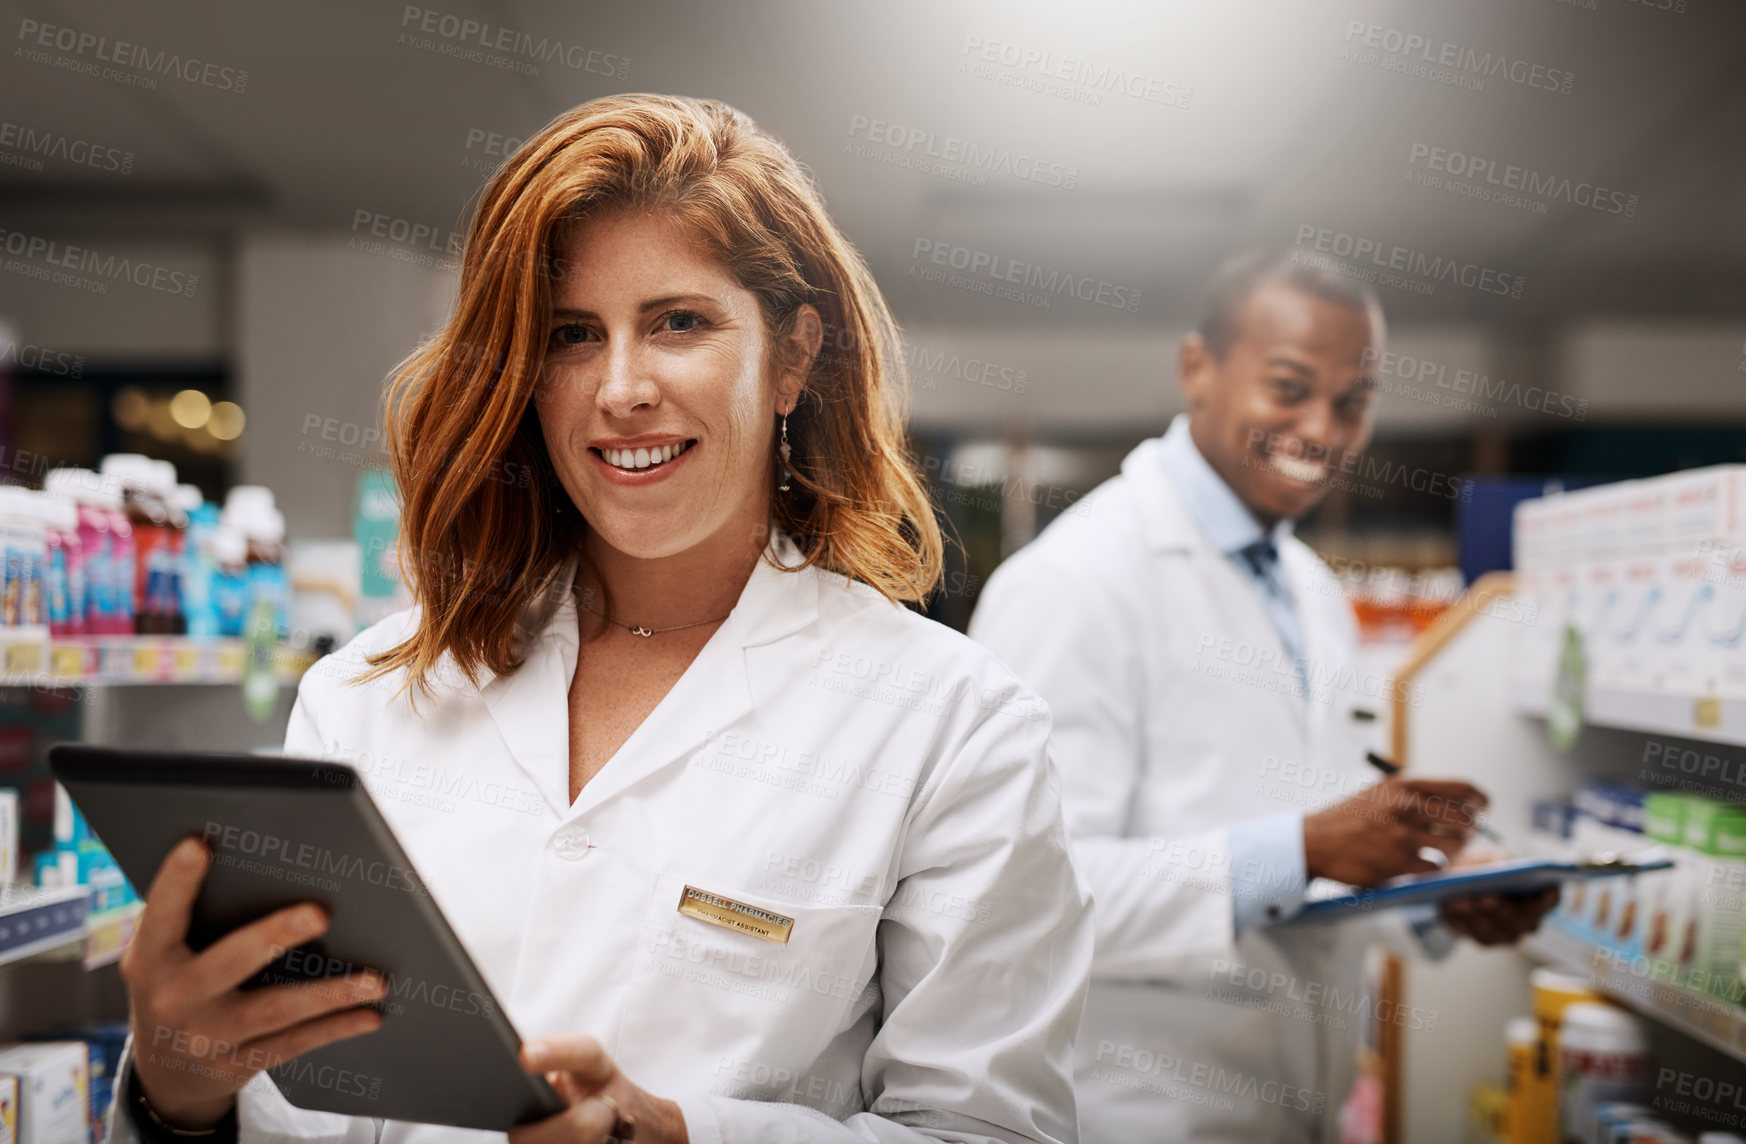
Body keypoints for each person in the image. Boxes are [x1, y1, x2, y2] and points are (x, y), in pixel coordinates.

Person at [108, 94, 1095, 1144]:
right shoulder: (366, 696)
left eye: (679, 322)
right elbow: (281, 1108)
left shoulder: (952, 726)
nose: (622, 388)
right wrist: (179, 1094)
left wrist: (683, 1134)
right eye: (573, 336)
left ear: (794, 357)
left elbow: (988, 1130)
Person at [968, 252, 1558, 1143]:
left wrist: (1436, 891)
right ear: (1197, 367)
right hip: (1136, 1112)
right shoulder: (1073, 583)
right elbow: (1023, 903)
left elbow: (1304, 868)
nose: (1321, 427)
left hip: (1298, 1105)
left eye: (1352, 402)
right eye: (1289, 387)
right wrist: (1304, 846)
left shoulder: (1309, 590)